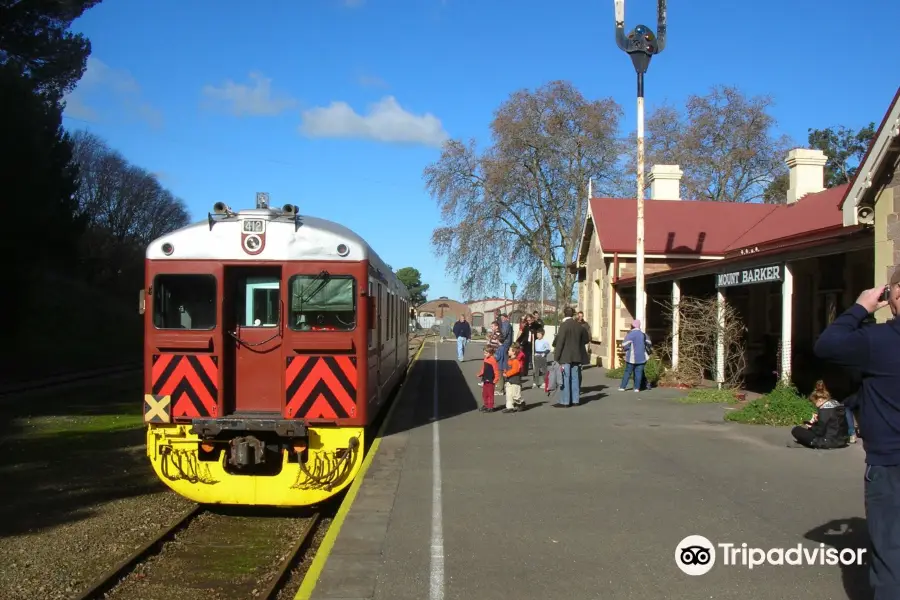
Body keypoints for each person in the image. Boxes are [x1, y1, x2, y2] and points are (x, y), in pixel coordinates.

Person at [814, 275, 900, 599]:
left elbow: (827, 345)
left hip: (890, 464)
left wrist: (862, 307)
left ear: (893, 296)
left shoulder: (877, 342)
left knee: (892, 558)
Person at [790, 380, 849, 449]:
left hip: (828, 442)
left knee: (796, 430)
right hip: (842, 440)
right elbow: (832, 424)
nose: (815, 406)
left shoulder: (824, 410)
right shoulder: (837, 405)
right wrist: (818, 421)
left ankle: (811, 443)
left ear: (820, 400)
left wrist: (811, 426)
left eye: (814, 403)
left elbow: (819, 432)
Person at [551, 306, 589, 407]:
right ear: (573, 314)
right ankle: (575, 400)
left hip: (565, 356)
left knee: (565, 378)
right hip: (576, 355)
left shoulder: (564, 325)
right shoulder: (579, 326)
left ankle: (565, 401)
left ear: (564, 314)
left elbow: (560, 342)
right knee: (575, 378)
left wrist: (556, 357)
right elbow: (586, 339)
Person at [619, 320, 650, 392]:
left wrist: (627, 349)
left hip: (631, 357)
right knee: (639, 373)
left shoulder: (630, 334)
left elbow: (624, 345)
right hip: (642, 357)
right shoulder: (644, 334)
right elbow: (649, 343)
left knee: (627, 372)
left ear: (632, 326)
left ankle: (622, 387)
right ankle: (636, 388)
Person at [502, 343, 524, 413]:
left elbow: (515, 370)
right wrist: (505, 371)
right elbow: (508, 368)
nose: (508, 351)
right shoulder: (509, 360)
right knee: (509, 395)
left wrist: (507, 374)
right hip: (509, 381)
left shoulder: (516, 361)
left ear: (514, 352)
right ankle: (509, 407)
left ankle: (521, 403)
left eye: (509, 350)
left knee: (515, 395)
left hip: (515, 381)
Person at [476, 346, 500, 412]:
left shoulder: (493, 360)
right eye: (484, 353)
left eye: (486, 353)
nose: (484, 354)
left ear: (491, 353)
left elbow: (496, 370)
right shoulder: (486, 359)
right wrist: (480, 373)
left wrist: (496, 379)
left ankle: (490, 407)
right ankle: (486, 405)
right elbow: (484, 368)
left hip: (491, 379)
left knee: (490, 394)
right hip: (485, 378)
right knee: (484, 393)